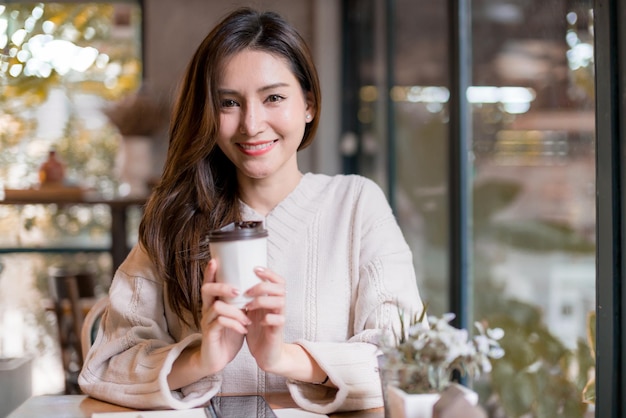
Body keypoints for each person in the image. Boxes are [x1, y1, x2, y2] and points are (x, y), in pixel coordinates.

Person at [78, 7, 423, 414]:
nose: (252, 124)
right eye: (229, 103)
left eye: (273, 97)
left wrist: (283, 357)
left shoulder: (357, 205)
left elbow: (407, 359)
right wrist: (202, 359)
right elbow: (105, 368)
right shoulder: (173, 217)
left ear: (308, 104)